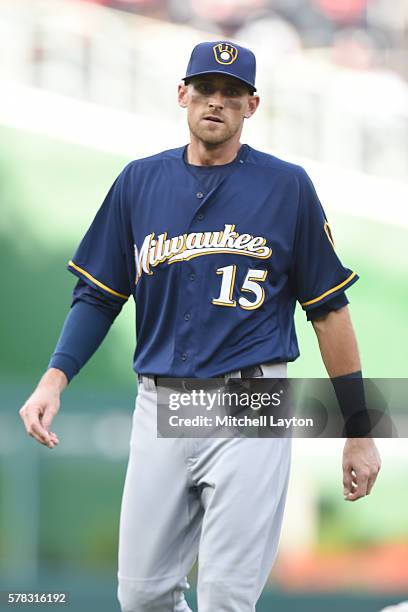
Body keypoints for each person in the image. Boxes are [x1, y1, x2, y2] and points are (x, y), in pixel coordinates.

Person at [19, 40, 381, 612]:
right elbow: (98, 295)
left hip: (249, 399)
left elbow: (330, 311)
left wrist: (359, 429)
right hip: (159, 402)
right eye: (206, 89)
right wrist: (53, 380)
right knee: (140, 597)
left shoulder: (286, 187)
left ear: (252, 106)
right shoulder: (139, 182)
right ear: (182, 94)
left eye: (231, 94)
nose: (217, 102)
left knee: (225, 599)